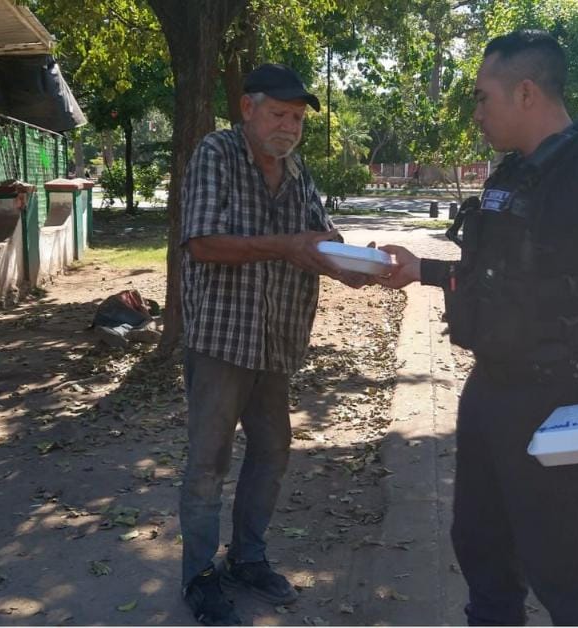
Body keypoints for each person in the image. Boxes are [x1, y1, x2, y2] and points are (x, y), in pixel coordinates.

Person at [378, 31, 578, 625]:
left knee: (563, 573)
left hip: (559, 396)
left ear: (525, 92)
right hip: (489, 394)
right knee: (480, 550)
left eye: (483, 98)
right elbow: (498, 280)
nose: (475, 113)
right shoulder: (513, 174)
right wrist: (420, 269)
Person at [178, 63, 370, 625]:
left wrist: (352, 265)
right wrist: (290, 245)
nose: (289, 127)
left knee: (272, 452)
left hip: (278, 339)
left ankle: (248, 558)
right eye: (280, 114)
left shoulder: (298, 170)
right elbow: (202, 244)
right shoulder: (215, 154)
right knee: (208, 464)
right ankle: (199, 576)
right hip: (221, 337)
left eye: (297, 118)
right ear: (248, 109)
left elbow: (316, 240)